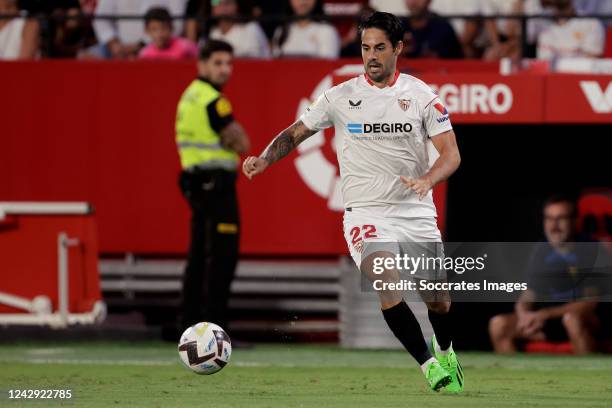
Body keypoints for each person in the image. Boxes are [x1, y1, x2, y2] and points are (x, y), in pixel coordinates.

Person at [243, 11, 463, 392]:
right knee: (385, 280)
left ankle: (444, 349)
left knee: (439, 300)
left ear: (398, 48)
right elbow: (297, 132)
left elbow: (451, 155)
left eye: (380, 48)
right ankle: (429, 366)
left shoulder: (421, 96)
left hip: (413, 211)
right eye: (365, 48)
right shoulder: (340, 97)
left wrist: (428, 179)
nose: (371, 56)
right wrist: (264, 159)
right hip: (365, 212)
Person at [176, 40, 250, 332]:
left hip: (195, 182)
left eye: (228, 63)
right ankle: (214, 329)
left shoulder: (189, 96)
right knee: (221, 255)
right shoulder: (213, 100)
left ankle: (189, 325)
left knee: (198, 255)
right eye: (218, 63)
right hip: (215, 185)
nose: (225, 70)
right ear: (202, 64)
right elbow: (243, 143)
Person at [489, 195, 604, 354]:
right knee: (498, 324)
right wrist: (524, 314)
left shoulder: (592, 249)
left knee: (572, 320)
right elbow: (528, 294)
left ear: (575, 221)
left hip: (582, 320)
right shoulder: (541, 250)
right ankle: (519, 378)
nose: (554, 225)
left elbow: (589, 304)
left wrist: (544, 314)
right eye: (549, 218)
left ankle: (590, 378)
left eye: (561, 218)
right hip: (545, 322)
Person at [90, 0, 186, 59]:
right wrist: (114, 45)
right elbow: (100, 20)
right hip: (116, 48)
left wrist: (143, 45)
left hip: (158, 46)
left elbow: (177, 23)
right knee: (87, 56)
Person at [537, 0, 605, 59]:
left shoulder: (590, 22)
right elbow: (544, 59)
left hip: (580, 72)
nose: (557, 10)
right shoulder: (543, 23)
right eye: (551, 5)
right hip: (553, 73)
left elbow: (592, 57)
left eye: (562, 5)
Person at [272, 0, 340, 58]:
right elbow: (276, 61)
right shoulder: (282, 30)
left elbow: (327, 64)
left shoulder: (326, 30)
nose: (303, 2)